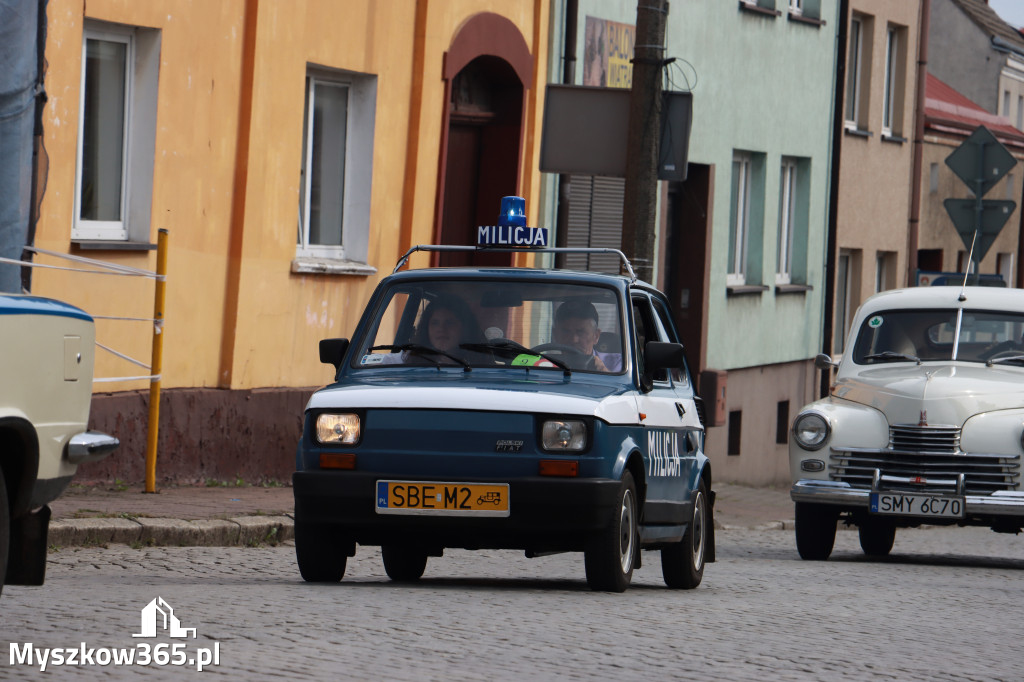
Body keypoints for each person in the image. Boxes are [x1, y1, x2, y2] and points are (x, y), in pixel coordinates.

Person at [552, 300, 622, 372]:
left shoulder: (618, 364)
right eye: (566, 332)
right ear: (555, 335)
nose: (573, 340)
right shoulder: (544, 364)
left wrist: (605, 374)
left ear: (596, 336)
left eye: (581, 332)